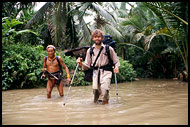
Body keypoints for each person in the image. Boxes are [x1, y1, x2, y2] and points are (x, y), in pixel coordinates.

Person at [76, 29, 120, 105]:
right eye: (95, 37)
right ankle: (98, 109)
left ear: (102, 38)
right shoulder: (90, 50)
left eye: (99, 37)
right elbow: (87, 65)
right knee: (96, 91)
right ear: (93, 38)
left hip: (106, 71)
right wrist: (80, 64)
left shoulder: (108, 48)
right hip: (95, 72)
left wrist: (116, 67)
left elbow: (116, 61)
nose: (97, 38)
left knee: (105, 89)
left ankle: (105, 107)